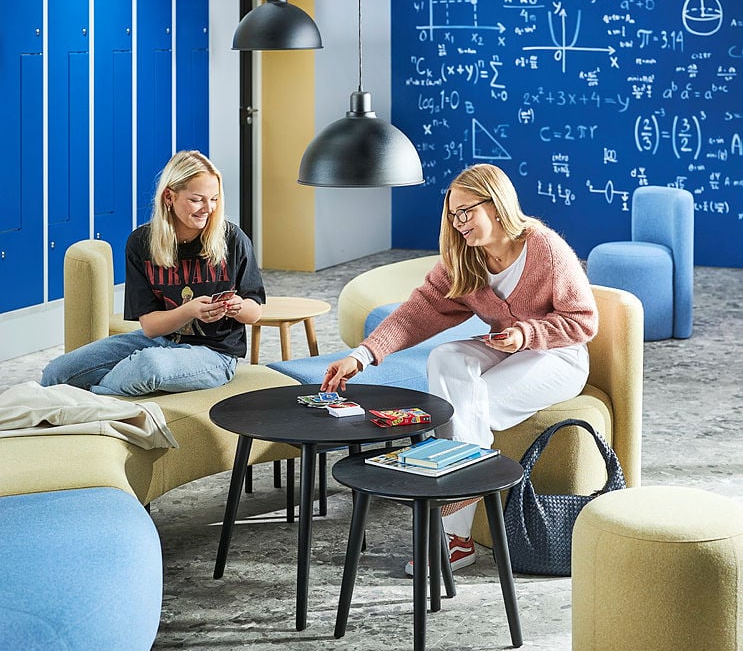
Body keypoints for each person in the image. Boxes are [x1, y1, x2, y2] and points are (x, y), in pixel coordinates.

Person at [321, 163, 598, 574]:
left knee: (473, 401)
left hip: (558, 356)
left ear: (498, 203)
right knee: (446, 357)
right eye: (453, 214)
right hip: (507, 348)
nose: (459, 222)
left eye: (467, 211)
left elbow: (583, 322)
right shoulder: (463, 258)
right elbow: (417, 313)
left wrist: (526, 335)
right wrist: (361, 355)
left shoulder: (545, 249)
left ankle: (454, 529)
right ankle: (456, 503)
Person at [42, 150, 265, 396]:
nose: (208, 208)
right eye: (197, 199)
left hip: (216, 353)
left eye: (214, 199)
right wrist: (190, 311)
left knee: (146, 365)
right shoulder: (141, 242)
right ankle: (70, 400)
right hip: (160, 340)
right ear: (169, 196)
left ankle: (86, 400)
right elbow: (150, 327)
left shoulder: (233, 239)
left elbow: (254, 312)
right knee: (57, 372)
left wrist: (238, 306)